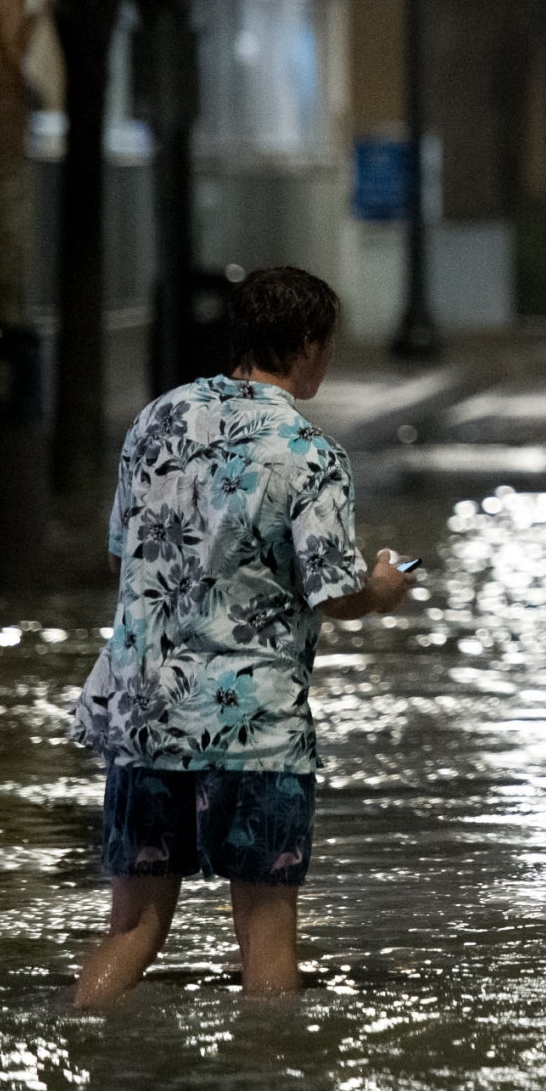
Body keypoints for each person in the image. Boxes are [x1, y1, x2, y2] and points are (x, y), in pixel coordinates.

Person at [69, 266, 412, 1007]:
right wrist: (383, 586)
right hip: (253, 733)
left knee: (130, 929)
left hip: (144, 717)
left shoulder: (155, 420)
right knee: (266, 938)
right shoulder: (307, 450)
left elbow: (120, 557)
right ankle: (267, 1084)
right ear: (312, 346)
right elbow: (338, 590)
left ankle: (89, 1058)